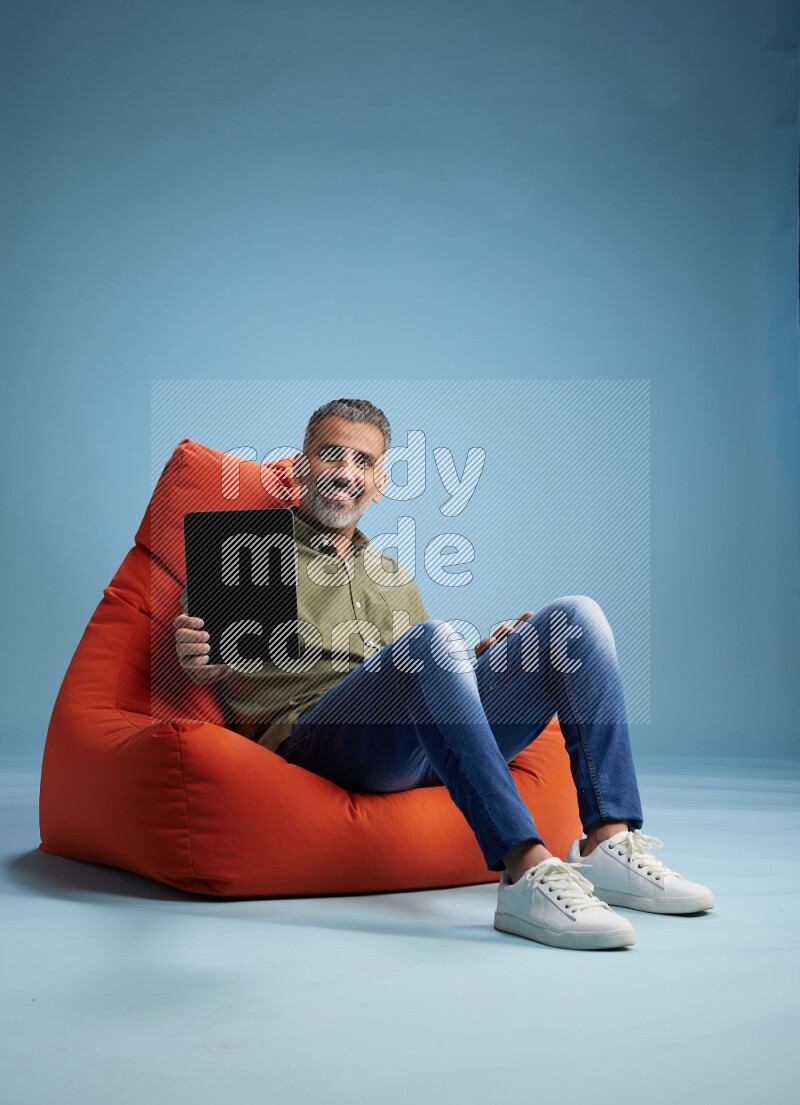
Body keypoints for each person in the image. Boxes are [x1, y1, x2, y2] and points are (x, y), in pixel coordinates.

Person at [173, 397, 714, 951]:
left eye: (362, 462)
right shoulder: (247, 550)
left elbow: (423, 678)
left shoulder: (392, 574)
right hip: (318, 740)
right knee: (432, 643)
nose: (345, 473)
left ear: (381, 482)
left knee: (576, 619)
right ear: (303, 466)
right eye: (330, 456)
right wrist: (195, 656)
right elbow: (208, 656)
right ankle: (524, 871)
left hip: (416, 748)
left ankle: (608, 843)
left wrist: (479, 661)